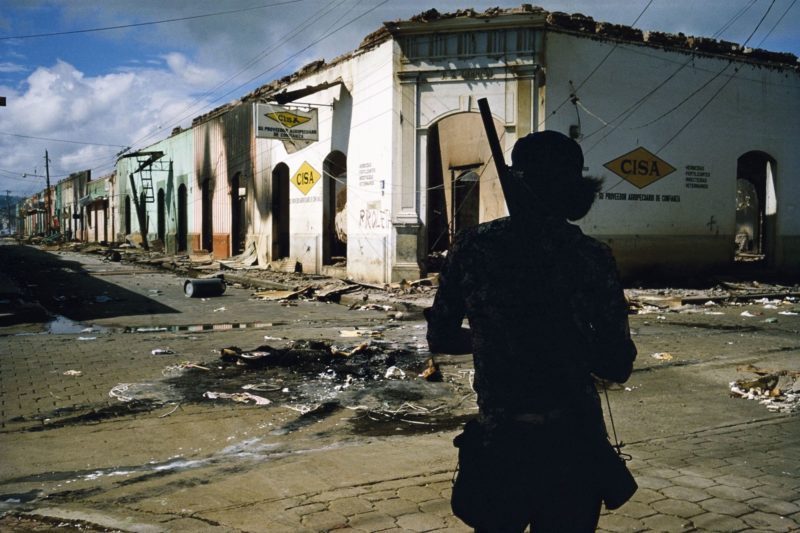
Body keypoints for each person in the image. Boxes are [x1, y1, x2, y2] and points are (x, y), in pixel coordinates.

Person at [425, 130, 637, 532]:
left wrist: (494, 335)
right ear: (575, 191)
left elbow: (441, 337)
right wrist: (568, 342)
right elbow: (617, 364)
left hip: (501, 444)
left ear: (517, 182)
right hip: (573, 447)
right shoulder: (591, 257)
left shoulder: (472, 248)